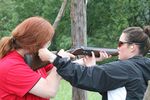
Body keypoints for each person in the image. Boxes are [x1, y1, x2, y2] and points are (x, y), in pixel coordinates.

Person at [38, 26, 150, 100]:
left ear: (132, 47)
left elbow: (83, 77)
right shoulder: (140, 68)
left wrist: (54, 58)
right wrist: (93, 68)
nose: (117, 46)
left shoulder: (127, 68)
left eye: (121, 43)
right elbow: (116, 92)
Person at [0, 16, 61, 100]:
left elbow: (56, 72)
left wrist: (81, 62)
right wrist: (60, 61)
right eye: (47, 42)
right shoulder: (11, 66)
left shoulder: (33, 58)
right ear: (36, 43)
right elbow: (50, 91)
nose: (47, 46)